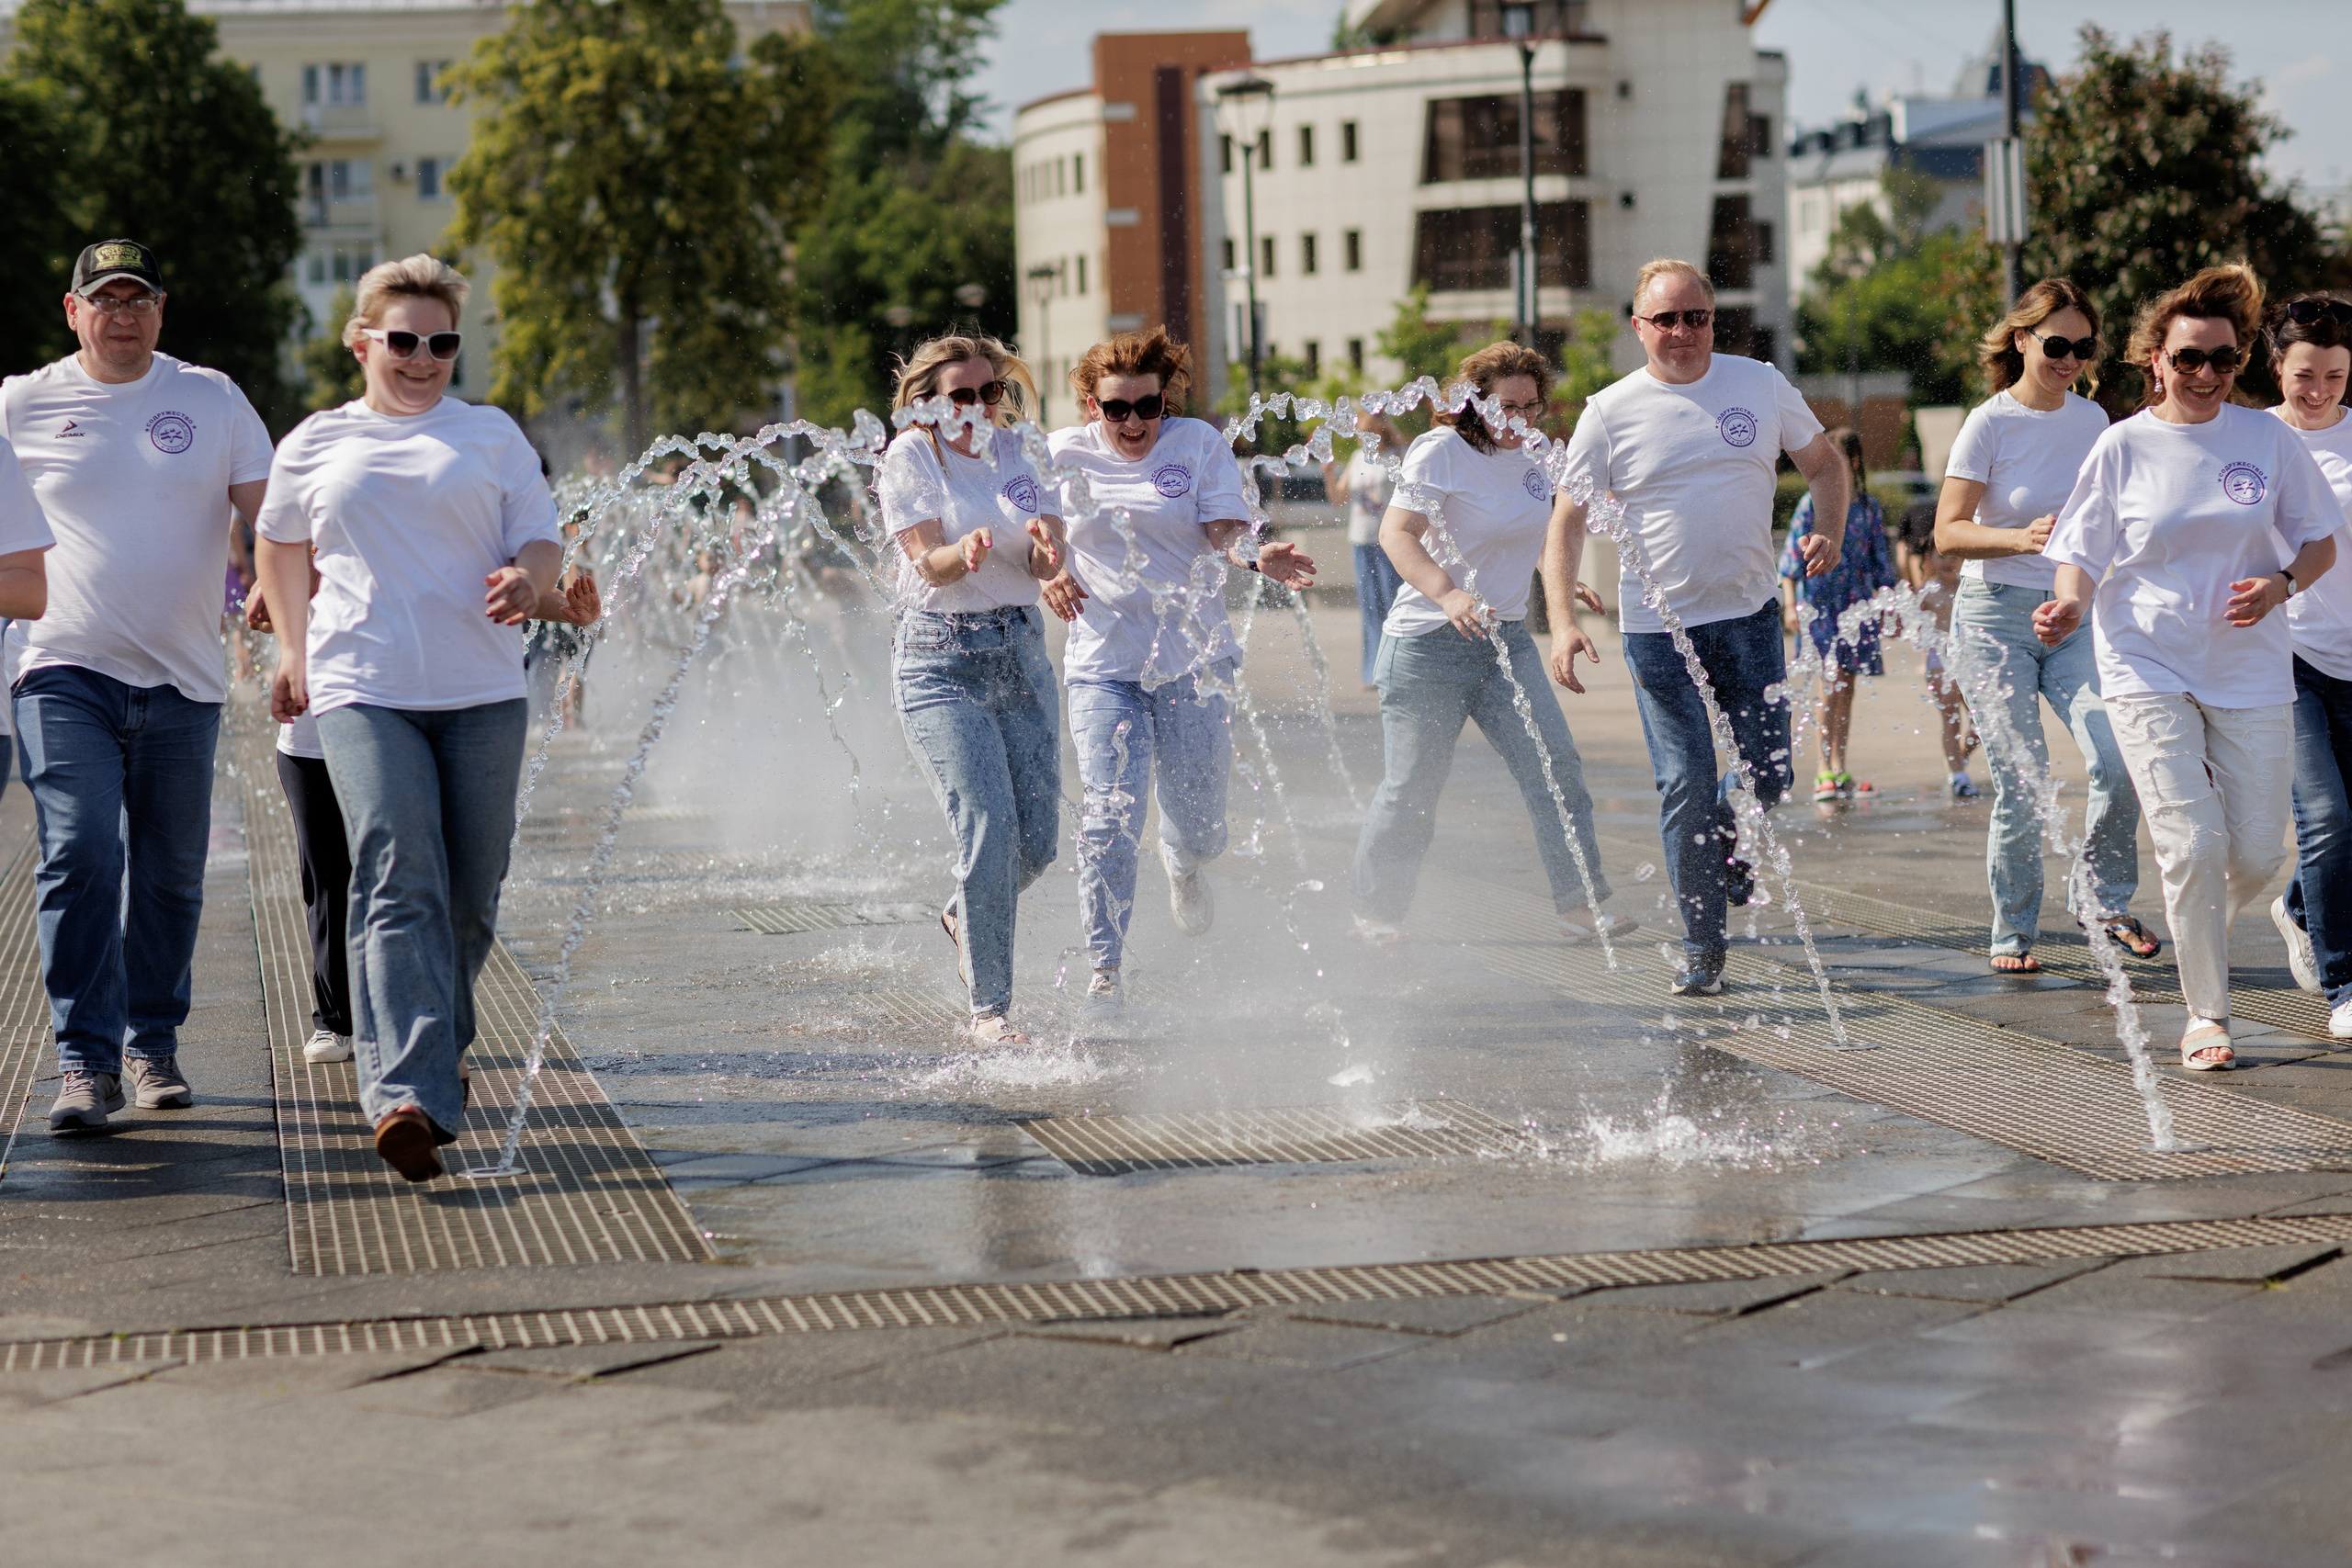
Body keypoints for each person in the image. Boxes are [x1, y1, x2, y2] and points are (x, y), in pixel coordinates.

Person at [256, 254, 564, 1179]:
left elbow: (542, 538)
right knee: (394, 868)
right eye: (404, 340)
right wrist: (292, 651)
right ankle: (401, 1095)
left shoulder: (491, 434)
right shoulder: (313, 442)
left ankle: (437, 1059)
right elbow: (279, 544)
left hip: (481, 691)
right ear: (362, 343)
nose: (424, 356)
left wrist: (531, 580)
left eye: (442, 342)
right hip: (362, 686)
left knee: (468, 899)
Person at [2, 240, 273, 1135]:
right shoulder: (21, 402)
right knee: (80, 853)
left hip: (185, 682)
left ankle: (150, 1042)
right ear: (71, 311)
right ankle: (83, 1061)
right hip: (61, 672)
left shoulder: (210, 396)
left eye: (138, 298)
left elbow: (273, 516)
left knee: (170, 878)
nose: (122, 313)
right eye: (103, 299)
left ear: (161, 309)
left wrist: (275, 578)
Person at [2039, 265, 2338, 1070]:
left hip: (2250, 668)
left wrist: (2280, 586)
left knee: (2254, 854)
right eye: (2189, 359)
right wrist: (2070, 604)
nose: (2206, 375)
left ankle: (2207, 914)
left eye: (2224, 360)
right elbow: (2079, 554)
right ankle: (2207, 1013)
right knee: (2193, 844)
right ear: (2156, 360)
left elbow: (2320, 542)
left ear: (2242, 363)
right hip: (2146, 662)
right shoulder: (2122, 445)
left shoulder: (2267, 439)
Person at [1551, 257, 1851, 996]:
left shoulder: (1758, 383)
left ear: (1715, 319)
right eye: (1666, 320)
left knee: (1770, 775)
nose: (1683, 333)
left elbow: (1826, 467)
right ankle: (1703, 946)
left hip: (1750, 620)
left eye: (1697, 317)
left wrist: (1832, 533)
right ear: (1638, 327)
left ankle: (1724, 845)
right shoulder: (1609, 411)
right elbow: (1565, 522)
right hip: (1660, 631)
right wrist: (1560, 620)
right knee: (1685, 779)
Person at [1045, 328, 1316, 1017]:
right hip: (1103, 667)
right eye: (1116, 409)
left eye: (1147, 406)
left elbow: (1224, 531)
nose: (1133, 422)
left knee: (1200, 825)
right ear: (1089, 405)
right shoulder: (1061, 454)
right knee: (1109, 816)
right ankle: (1105, 968)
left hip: (1193, 660)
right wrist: (1045, 570)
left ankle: (1183, 856)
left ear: (1166, 400)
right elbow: (1032, 534)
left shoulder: (1197, 445)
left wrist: (1257, 556)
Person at [250, 551, 597, 1066]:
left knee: (404, 877)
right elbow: (271, 584)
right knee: (329, 879)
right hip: (313, 735)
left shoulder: (419, 510)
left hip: (395, 730)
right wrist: (276, 589)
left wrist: (564, 609)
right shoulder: (321, 495)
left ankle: (412, 1018)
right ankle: (337, 1021)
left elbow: (469, 586)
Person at [1351, 342, 1629, 944]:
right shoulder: (1441, 451)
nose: (1521, 421)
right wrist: (1447, 593)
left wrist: (1561, 578)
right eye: (1508, 407)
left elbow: (1521, 534)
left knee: (1555, 766)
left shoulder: (1533, 459)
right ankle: (1377, 911)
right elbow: (1396, 534)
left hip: (1503, 641)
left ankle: (1580, 904)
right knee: (1412, 788)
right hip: (1427, 644)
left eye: (1532, 408)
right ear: (1475, 403)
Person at [1937, 277, 2154, 976]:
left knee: (2117, 760)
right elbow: (1947, 532)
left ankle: (2102, 899)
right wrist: (2019, 538)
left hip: (2072, 615)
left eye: (2083, 348)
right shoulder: (1988, 422)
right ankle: (2013, 929)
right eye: (2057, 344)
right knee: (2024, 779)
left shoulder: (2092, 422)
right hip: (1993, 615)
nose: (2070, 360)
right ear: (2022, 338)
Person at [879, 333, 1069, 1044]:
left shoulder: (1019, 451)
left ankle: (964, 913)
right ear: (928, 403)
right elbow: (928, 562)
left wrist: (1052, 556)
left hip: (1020, 653)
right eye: (964, 394)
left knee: (1038, 845)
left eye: (991, 391)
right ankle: (991, 1011)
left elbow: (1051, 543)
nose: (981, 405)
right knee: (988, 831)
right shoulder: (911, 456)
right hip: (940, 663)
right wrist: (965, 552)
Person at [2259, 294, 2352, 1035]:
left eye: (2334, 373)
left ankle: (2299, 907)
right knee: (2323, 815)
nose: (2318, 389)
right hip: (2284, 658)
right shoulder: (2250, 440)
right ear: (2277, 367)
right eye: (2303, 373)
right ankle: (2344, 985)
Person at [1779, 427, 1896, 803]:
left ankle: (1839, 764)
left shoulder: (1867, 508)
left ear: (1855, 462)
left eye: (1838, 458)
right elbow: (1788, 563)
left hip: (1856, 607)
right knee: (1827, 689)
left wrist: (1890, 607)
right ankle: (1821, 770)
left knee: (1847, 690)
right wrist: (1791, 605)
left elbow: (1882, 565)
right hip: (1821, 607)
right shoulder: (1810, 505)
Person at [1321, 412, 1404, 686]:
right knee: (1371, 607)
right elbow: (1339, 499)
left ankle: (1398, 668)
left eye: (1364, 427)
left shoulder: (1397, 455)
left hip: (1389, 542)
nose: (1359, 433)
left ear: (1380, 427)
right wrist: (1328, 473)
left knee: (1394, 606)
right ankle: (1374, 671)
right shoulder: (1358, 457)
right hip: (1361, 540)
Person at [1904, 528, 1980, 801]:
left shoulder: (1971, 589)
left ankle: (1957, 758)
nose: (1948, 561)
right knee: (1951, 721)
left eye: (1955, 556)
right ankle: (1959, 776)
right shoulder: (1927, 592)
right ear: (1928, 560)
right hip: (1939, 665)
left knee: (1982, 721)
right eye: (1941, 555)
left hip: (1971, 662)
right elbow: (1910, 625)